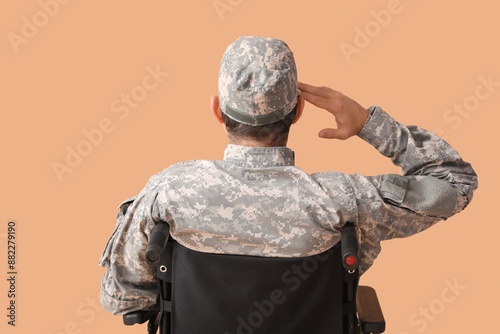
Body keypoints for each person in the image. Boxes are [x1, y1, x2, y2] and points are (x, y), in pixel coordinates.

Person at [98, 36, 478, 316]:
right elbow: (454, 183)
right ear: (297, 112)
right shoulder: (346, 198)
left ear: (217, 110)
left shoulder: (169, 191)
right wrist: (368, 123)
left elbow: (123, 300)